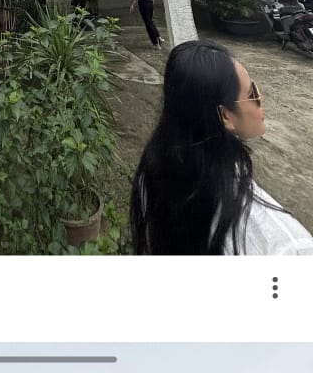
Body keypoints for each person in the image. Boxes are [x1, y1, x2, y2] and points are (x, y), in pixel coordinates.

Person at [130, 39, 313, 254]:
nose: (261, 98)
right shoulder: (285, 244)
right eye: (252, 93)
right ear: (225, 115)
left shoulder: (153, 174)